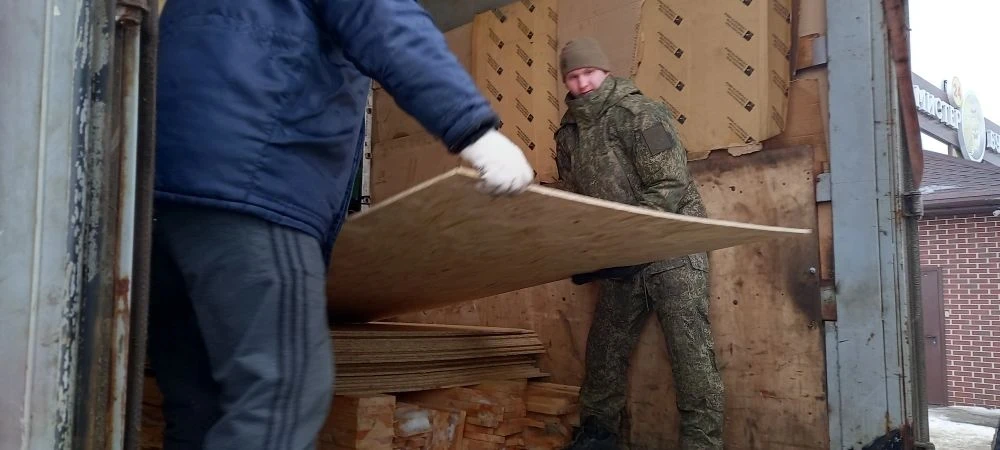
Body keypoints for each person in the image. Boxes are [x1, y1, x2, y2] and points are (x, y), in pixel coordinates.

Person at [146, 0, 535, 448]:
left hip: (161, 205)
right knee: (280, 398)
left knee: (200, 404)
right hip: (255, 186)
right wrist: (474, 131)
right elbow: (388, 22)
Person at [553, 37, 725, 450]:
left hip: (672, 247)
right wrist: (588, 251)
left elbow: (668, 183)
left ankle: (702, 445)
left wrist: (627, 239)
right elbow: (576, 199)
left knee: (691, 356)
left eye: (589, 73)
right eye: (573, 77)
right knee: (603, 354)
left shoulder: (639, 112)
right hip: (622, 255)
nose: (582, 83)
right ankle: (597, 437)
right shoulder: (568, 134)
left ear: (605, 71)